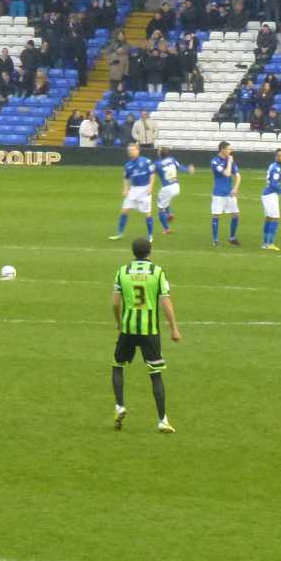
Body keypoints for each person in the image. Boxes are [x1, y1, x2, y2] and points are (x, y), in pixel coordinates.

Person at [111, 236, 181, 434]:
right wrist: (174, 328)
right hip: (149, 331)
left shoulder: (122, 271)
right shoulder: (157, 272)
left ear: (133, 252)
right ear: (149, 251)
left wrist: (118, 322)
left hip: (128, 328)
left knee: (118, 365)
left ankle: (120, 405)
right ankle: (162, 420)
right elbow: (165, 302)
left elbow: (115, 303)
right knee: (155, 373)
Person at [110, 143, 157, 241]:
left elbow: (152, 174)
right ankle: (119, 233)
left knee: (147, 213)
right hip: (134, 190)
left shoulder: (147, 161)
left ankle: (150, 235)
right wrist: (126, 189)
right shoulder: (128, 165)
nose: (130, 152)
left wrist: (151, 186)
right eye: (129, 150)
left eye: (132, 150)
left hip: (145, 189)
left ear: (137, 150)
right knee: (124, 210)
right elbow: (126, 178)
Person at [209, 140, 240, 246]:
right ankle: (215, 240)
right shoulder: (215, 161)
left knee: (236, 215)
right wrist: (230, 162)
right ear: (222, 150)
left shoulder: (229, 159)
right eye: (228, 149)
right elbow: (227, 173)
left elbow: (238, 175)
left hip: (229, 192)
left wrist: (235, 188)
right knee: (216, 215)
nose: (230, 151)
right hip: (219, 193)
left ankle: (232, 238)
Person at [259, 148, 281, 250]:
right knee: (275, 218)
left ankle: (265, 243)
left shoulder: (274, 166)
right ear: (277, 157)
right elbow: (273, 184)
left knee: (269, 218)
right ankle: (270, 243)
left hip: (268, 194)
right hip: (270, 195)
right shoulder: (276, 168)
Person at [154, 146, 186, 234]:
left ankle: (166, 229)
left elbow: (151, 173)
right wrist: (188, 169)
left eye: (159, 151)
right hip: (176, 186)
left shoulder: (157, 163)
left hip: (167, 188)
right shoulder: (172, 159)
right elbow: (180, 168)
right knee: (165, 199)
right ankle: (169, 214)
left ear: (160, 154)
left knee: (160, 208)